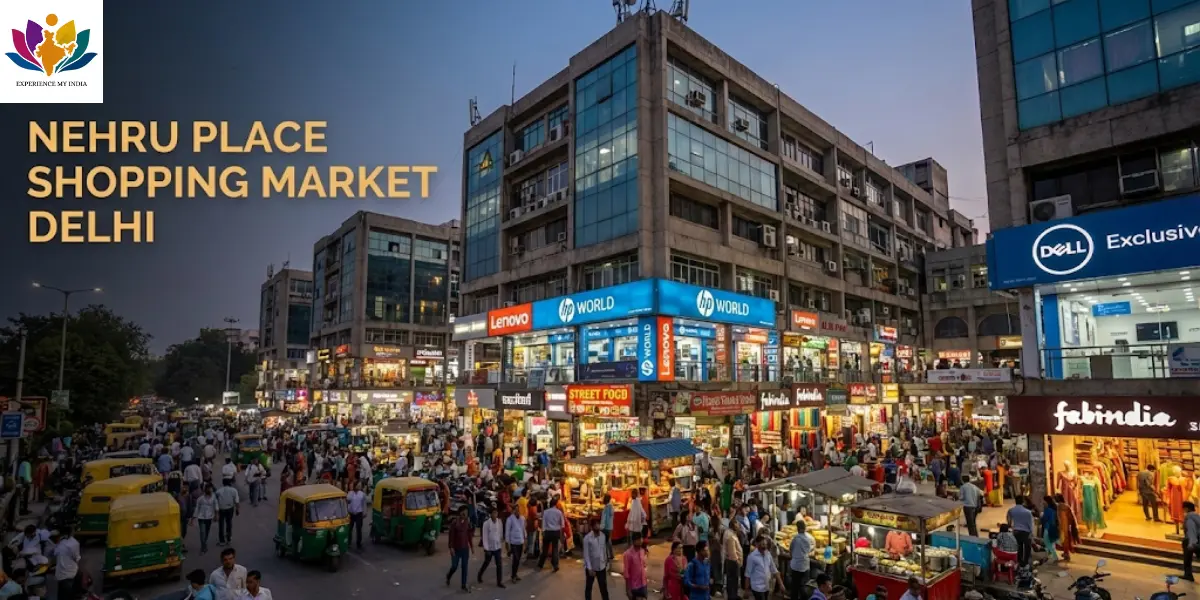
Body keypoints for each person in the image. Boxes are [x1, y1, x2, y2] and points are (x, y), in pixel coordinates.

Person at [744, 535, 782, 600]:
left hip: (766, 587)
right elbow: (748, 574)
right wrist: (746, 590)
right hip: (757, 587)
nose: (764, 546)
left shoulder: (768, 554)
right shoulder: (752, 557)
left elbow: (774, 569)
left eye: (765, 544)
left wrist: (781, 584)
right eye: (762, 544)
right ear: (757, 544)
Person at [446, 506, 473, 592]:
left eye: (466, 512)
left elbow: (469, 535)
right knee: (454, 566)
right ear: (460, 512)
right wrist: (451, 547)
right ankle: (449, 576)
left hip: (465, 549)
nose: (464, 514)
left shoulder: (467, 523)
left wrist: (471, 547)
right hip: (456, 549)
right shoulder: (455, 523)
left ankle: (463, 585)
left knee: (464, 567)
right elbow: (451, 536)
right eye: (463, 512)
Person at [478, 507, 506, 589]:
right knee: (486, 562)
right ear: (491, 514)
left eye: (496, 513)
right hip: (489, 547)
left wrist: (501, 541)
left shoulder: (499, 522)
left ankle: (499, 582)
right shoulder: (486, 523)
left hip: (497, 546)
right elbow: (485, 537)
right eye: (493, 513)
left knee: (499, 564)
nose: (495, 515)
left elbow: (500, 532)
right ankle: (480, 574)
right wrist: (486, 549)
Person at [582, 519, 610, 600]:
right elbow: (586, 554)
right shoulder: (587, 538)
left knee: (603, 588)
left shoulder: (603, 536)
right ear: (592, 527)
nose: (597, 526)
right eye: (595, 525)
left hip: (601, 567)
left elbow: (604, 549)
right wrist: (589, 568)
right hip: (591, 567)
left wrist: (606, 562)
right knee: (589, 587)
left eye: (598, 524)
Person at [788, 520, 815, 600]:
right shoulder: (809, 538)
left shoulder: (795, 539)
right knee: (804, 585)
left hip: (795, 566)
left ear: (797, 528)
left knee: (795, 587)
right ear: (805, 528)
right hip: (805, 566)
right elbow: (810, 550)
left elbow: (790, 550)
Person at [52, 527, 80, 600]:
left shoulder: (61, 543)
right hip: (67, 572)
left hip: (65, 573)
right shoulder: (73, 543)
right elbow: (77, 558)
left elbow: (55, 554)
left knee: (64, 594)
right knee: (65, 593)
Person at [1007, 495, 1034, 567]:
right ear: (1023, 501)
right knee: (1027, 548)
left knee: (1019, 548)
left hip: (1016, 532)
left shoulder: (1011, 510)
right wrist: (1031, 533)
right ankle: (1026, 563)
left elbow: (1009, 523)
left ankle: (1020, 562)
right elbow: (1030, 524)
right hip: (1026, 533)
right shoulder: (1028, 512)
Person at [538, 498, 564, 572]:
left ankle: (541, 564)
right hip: (556, 532)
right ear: (556, 504)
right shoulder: (559, 512)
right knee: (555, 549)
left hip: (547, 532)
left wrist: (543, 532)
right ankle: (555, 565)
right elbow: (562, 525)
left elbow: (543, 523)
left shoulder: (546, 512)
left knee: (545, 549)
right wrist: (561, 534)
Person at [722, 517, 743, 600]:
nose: (739, 525)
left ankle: (733, 594)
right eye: (737, 524)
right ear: (734, 525)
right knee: (732, 579)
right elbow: (732, 551)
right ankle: (732, 596)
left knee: (733, 579)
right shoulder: (730, 535)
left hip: (731, 560)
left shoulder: (731, 533)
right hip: (732, 561)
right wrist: (737, 561)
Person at [505, 505, 526, 584]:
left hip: (520, 541)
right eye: (516, 510)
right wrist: (507, 544)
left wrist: (525, 540)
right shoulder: (510, 519)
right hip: (513, 542)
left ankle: (515, 574)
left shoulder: (522, 518)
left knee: (518, 560)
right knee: (515, 559)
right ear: (513, 511)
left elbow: (523, 529)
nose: (517, 512)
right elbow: (507, 532)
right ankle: (513, 576)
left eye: (518, 510)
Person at [215, 479, 240, 546]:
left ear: (223, 483)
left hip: (221, 509)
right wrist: (237, 509)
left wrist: (216, 512)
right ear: (230, 483)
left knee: (221, 524)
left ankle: (222, 541)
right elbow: (237, 501)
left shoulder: (218, 491)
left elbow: (216, 502)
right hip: (230, 508)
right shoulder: (234, 490)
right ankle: (228, 538)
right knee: (229, 523)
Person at [347, 482, 367, 551]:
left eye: (360, 486)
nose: (358, 487)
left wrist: (365, 512)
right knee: (349, 529)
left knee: (359, 529)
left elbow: (364, 503)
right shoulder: (350, 493)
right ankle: (348, 542)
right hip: (351, 513)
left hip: (359, 513)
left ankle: (359, 542)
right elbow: (348, 501)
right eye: (357, 486)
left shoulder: (362, 494)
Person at [1040, 495, 1059, 565]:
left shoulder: (1048, 510)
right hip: (1052, 528)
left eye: (1044, 501)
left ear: (1047, 502)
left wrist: (1042, 517)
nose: (1042, 502)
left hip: (1048, 528)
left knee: (1048, 544)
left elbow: (1046, 520)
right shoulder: (1052, 509)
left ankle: (1054, 557)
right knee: (1051, 544)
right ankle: (1051, 557)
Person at [1184, 501, 1200, 581]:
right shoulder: (1197, 516)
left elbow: (1191, 529)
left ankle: (1188, 575)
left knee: (1187, 559)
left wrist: (1191, 543)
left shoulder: (1189, 517)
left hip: (1190, 541)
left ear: (1186, 508)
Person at [600, 493, 615, 561]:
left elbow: (604, 518)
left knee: (606, 541)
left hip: (606, 527)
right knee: (608, 540)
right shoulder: (610, 506)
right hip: (609, 526)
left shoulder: (607, 507)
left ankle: (607, 555)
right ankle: (611, 555)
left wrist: (601, 526)